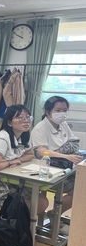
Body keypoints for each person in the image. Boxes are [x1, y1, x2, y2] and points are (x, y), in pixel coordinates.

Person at [0, 105, 49, 213]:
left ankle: (20, 226)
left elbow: (30, 154)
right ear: (9, 122)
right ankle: (13, 226)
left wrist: (19, 160)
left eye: (28, 117)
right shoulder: (3, 138)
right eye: (20, 118)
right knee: (26, 205)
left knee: (41, 201)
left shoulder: (24, 135)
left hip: (8, 180)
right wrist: (11, 161)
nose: (26, 121)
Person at [30, 96, 82, 234]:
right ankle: (55, 215)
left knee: (82, 189)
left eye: (65, 110)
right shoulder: (40, 128)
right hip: (48, 170)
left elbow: (75, 143)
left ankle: (55, 214)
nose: (62, 113)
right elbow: (41, 152)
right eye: (58, 110)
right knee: (80, 190)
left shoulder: (63, 125)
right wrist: (65, 155)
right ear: (48, 111)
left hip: (65, 166)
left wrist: (59, 151)